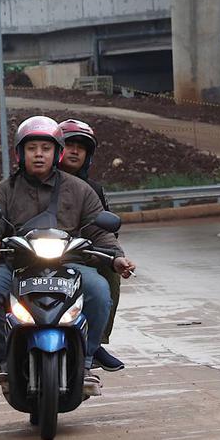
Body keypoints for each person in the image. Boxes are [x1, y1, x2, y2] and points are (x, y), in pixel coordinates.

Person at [0, 116, 136, 393]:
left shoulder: (80, 190)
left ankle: (87, 361)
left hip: (69, 265)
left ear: (57, 152)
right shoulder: (5, 189)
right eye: (32, 148)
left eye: (46, 148)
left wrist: (117, 257)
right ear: (21, 153)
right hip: (17, 265)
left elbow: (99, 230)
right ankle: (4, 357)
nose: (39, 154)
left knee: (99, 291)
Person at [57, 118, 125, 373]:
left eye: (80, 147)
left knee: (109, 275)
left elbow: (105, 230)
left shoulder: (93, 189)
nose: (74, 150)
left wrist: (114, 255)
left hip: (79, 256)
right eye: (69, 144)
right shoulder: (28, 180)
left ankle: (95, 342)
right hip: (31, 254)